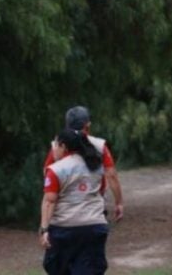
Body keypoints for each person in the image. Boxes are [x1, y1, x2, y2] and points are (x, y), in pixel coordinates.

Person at [40, 127, 109, 274]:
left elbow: (49, 201)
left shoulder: (56, 170)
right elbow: (101, 191)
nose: (53, 149)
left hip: (65, 230)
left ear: (63, 146)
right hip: (94, 226)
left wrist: (44, 229)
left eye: (55, 145)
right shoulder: (96, 166)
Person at [43, 106, 123, 222]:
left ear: (67, 125)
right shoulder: (99, 145)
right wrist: (119, 202)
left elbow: (47, 175)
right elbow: (111, 175)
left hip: (64, 210)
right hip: (93, 209)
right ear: (87, 125)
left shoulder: (58, 146)